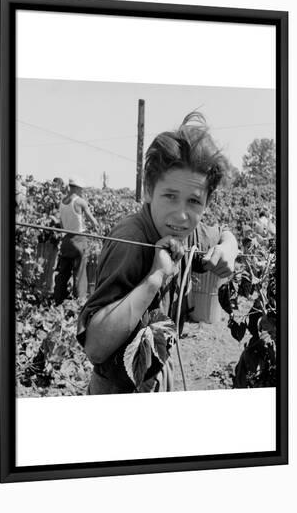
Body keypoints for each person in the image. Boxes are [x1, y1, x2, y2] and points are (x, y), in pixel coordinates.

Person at [77, 112, 238, 394]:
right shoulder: (130, 240)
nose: (181, 214)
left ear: (207, 202)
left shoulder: (188, 230)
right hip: (119, 388)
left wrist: (228, 246)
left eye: (194, 201)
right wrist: (154, 278)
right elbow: (95, 347)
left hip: (160, 374)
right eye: (170, 196)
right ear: (149, 190)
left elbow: (220, 231)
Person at [53, 176, 99, 305]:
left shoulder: (62, 201)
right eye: (81, 189)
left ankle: (58, 300)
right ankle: (80, 301)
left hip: (66, 240)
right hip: (79, 240)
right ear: (77, 188)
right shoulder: (80, 202)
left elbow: (62, 225)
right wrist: (96, 227)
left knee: (63, 272)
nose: (82, 191)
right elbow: (93, 221)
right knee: (80, 272)